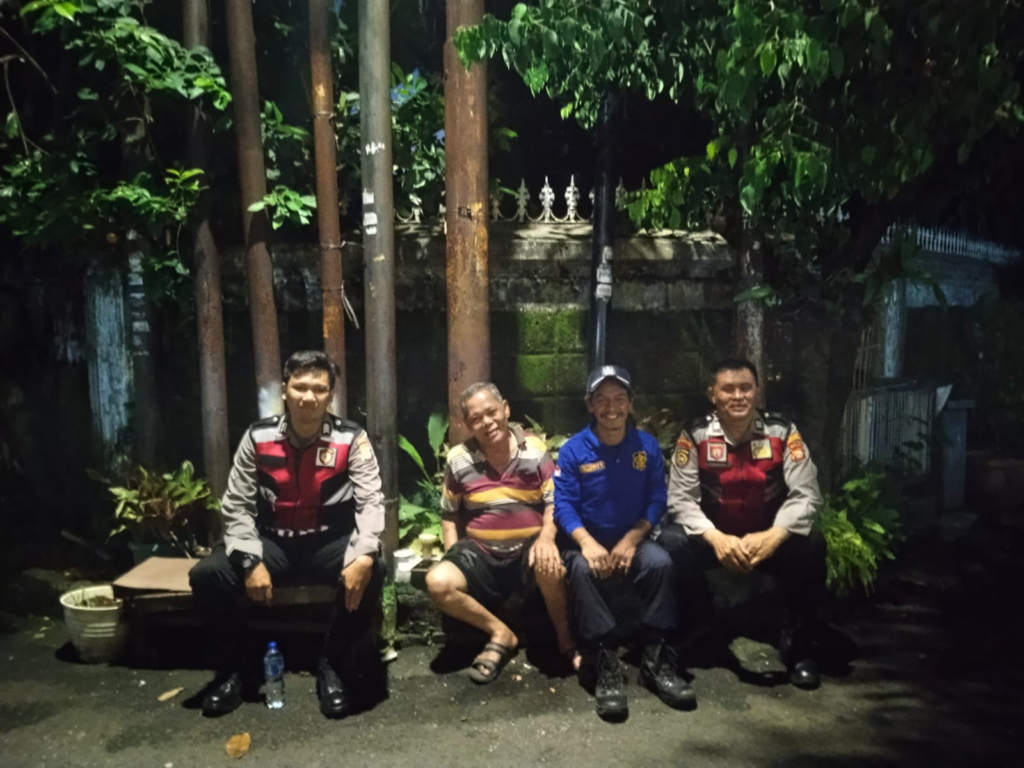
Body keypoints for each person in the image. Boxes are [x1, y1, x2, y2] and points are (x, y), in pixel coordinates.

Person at [189, 350, 386, 718]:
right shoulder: (258, 436)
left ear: (330, 395)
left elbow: (371, 501)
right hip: (273, 540)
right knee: (208, 575)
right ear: (285, 389)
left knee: (374, 568)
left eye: (319, 389)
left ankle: (333, 665)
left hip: (328, 540)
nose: (309, 397)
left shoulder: (351, 438)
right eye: (300, 387)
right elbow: (236, 503)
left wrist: (363, 554)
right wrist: (250, 560)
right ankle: (236, 670)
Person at [659, 357, 826, 690]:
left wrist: (776, 535)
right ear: (712, 394)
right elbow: (680, 498)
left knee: (812, 545)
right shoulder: (695, 434)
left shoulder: (782, 431)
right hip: (715, 539)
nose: (738, 396)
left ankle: (798, 644)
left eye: (746, 388)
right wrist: (716, 538)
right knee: (671, 543)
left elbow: (806, 493)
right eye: (728, 389)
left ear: (757, 392)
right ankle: (698, 623)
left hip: (767, 538)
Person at [554, 366, 694, 720]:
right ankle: (604, 659)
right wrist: (586, 542)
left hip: (633, 538)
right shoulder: (573, 450)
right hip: (588, 542)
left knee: (660, 562)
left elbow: (657, 500)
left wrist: (633, 539)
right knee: (581, 571)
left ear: (630, 403)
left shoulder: (646, 447)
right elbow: (563, 505)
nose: (611, 407)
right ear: (590, 405)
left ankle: (655, 659)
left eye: (619, 398)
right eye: (601, 399)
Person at [425, 382, 578, 683]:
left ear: (505, 409)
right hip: (480, 552)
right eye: (476, 418)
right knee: (437, 582)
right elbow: (449, 514)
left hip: (529, 548)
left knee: (550, 563)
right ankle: (500, 633)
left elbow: (554, 501)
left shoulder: (534, 449)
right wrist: (453, 554)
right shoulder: (458, 458)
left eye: (491, 412)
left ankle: (566, 639)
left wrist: (547, 538)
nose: (487, 422)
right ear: (467, 424)